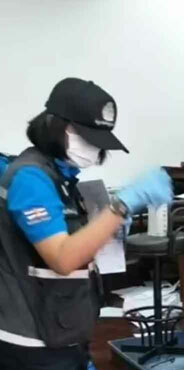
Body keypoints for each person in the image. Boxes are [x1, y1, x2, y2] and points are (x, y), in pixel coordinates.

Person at [0, 77, 173, 370]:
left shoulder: (60, 177)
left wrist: (103, 229)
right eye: (88, 139)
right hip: (32, 342)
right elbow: (63, 258)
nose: (95, 150)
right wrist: (120, 207)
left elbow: (67, 240)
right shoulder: (31, 179)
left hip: (59, 329)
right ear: (57, 127)